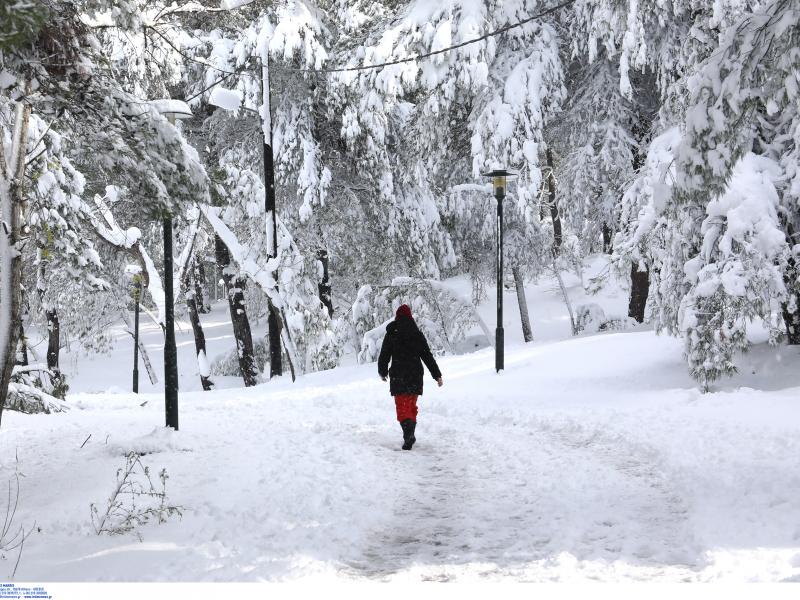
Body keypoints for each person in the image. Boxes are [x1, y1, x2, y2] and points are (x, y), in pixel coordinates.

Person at [378, 304, 443, 450]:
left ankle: (408, 435)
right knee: (411, 406)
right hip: (415, 376)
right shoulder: (416, 334)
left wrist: (382, 371)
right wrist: (437, 375)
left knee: (402, 407)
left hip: (399, 375)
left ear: (397, 317)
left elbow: (384, 354)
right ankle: (410, 433)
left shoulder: (392, 333)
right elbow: (427, 356)